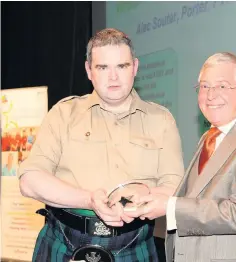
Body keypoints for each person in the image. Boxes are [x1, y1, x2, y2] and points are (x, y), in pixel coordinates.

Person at [18, 28, 184, 262]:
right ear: (89, 71)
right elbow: (30, 181)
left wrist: (143, 196)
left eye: (122, 66)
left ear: (135, 67)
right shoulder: (63, 114)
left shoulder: (161, 120)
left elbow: (174, 188)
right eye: (103, 67)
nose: (113, 77)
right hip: (63, 243)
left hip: (134, 246)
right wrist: (88, 200)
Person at [125, 52, 236, 262]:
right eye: (205, 86)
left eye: (222, 86)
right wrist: (154, 196)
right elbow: (200, 198)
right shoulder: (209, 138)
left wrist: (170, 207)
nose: (210, 95)